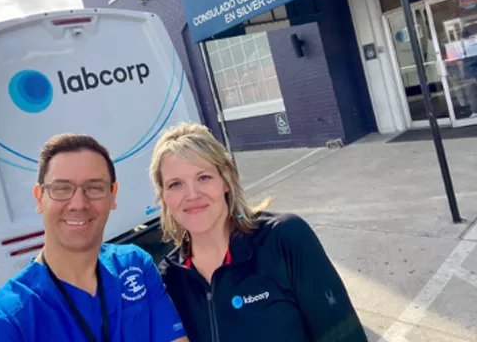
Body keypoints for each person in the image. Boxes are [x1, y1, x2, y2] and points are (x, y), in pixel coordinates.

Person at [149, 122, 367, 342]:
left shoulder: (283, 238)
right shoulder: (167, 279)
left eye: (203, 177)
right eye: (175, 184)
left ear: (226, 180)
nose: (192, 194)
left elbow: (345, 336)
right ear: (163, 196)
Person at [0, 133, 188, 342]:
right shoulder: (5, 322)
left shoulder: (135, 265)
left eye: (94, 188)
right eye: (62, 188)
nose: (78, 204)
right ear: (40, 198)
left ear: (112, 196)